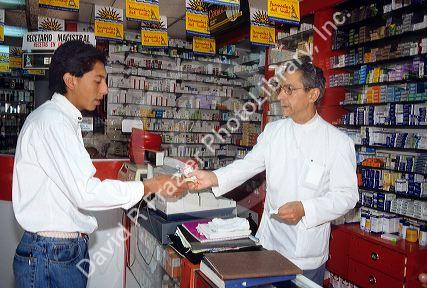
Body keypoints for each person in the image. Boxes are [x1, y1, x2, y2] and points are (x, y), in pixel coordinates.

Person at [12, 40, 188, 288]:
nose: (104, 90)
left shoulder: (59, 120)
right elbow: (86, 192)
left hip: (57, 252)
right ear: (71, 80)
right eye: (97, 81)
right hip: (52, 255)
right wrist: (153, 184)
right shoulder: (53, 123)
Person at [189, 61, 359, 285]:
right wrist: (214, 177)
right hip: (269, 245)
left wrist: (305, 209)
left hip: (305, 254)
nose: (280, 96)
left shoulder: (337, 143)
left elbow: (347, 196)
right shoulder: (274, 132)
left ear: (313, 94)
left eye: (289, 89)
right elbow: (248, 165)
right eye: (280, 88)